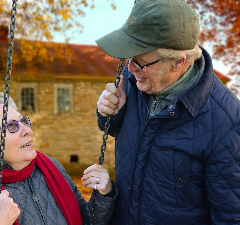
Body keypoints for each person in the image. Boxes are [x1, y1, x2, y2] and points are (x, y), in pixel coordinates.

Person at [95, 0, 240, 224]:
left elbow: (230, 215)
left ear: (178, 63)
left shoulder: (226, 123)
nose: (131, 68)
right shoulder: (136, 79)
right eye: (129, 59)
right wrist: (110, 113)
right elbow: (120, 131)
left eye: (140, 62)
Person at [0, 92, 117, 225]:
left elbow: (85, 220)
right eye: (11, 126)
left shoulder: (51, 168)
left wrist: (103, 194)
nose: (26, 130)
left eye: (23, 121)